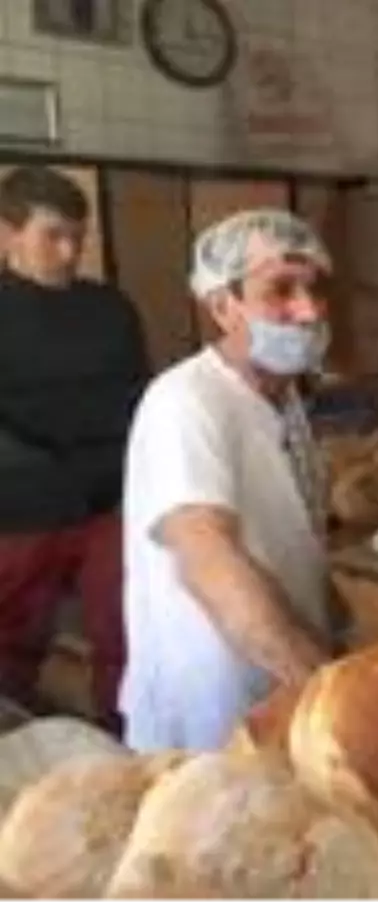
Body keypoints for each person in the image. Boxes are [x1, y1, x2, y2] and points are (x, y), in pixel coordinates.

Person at [119, 209, 335, 752]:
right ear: (222, 306)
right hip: (211, 705)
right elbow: (207, 556)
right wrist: (330, 692)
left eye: (313, 288)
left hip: (280, 684)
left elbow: (291, 537)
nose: (308, 310)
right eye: (280, 290)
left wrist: (336, 630)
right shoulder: (185, 403)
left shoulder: (283, 396)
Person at [0, 166, 148, 729]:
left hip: (109, 505)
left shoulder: (110, 308)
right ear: (8, 232)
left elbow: (140, 395)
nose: (68, 253)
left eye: (77, 238)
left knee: (128, 633)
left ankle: (127, 741)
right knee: (11, 641)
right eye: (53, 236)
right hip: (20, 510)